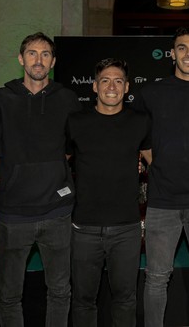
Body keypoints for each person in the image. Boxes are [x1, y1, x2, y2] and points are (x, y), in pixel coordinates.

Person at [133, 27, 189, 327]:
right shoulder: (152, 94)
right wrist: (154, 163)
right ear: (172, 53)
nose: (188, 53)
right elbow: (135, 134)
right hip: (162, 201)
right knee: (156, 278)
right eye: (182, 48)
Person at [0, 32, 82, 327]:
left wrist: (50, 171)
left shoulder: (68, 99)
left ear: (53, 62)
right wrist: (13, 170)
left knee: (59, 290)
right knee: (8, 293)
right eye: (32, 53)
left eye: (45, 54)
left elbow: (73, 148)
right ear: (21, 59)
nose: (38, 60)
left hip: (57, 212)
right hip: (13, 214)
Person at [67, 58, 151, 327]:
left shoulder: (140, 122)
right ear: (94, 86)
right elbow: (58, 164)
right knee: (83, 300)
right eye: (105, 80)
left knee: (125, 299)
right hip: (84, 228)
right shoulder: (75, 122)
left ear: (127, 87)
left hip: (126, 228)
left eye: (118, 81)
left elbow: (156, 163)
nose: (111, 86)